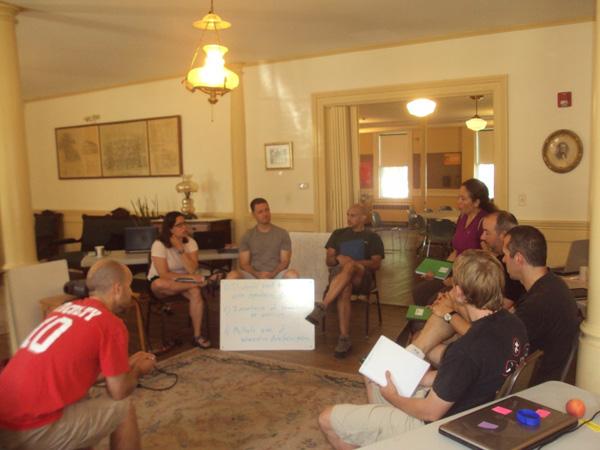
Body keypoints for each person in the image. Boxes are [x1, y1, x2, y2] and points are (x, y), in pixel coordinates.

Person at [318, 250, 528, 449]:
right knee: (375, 377)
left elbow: (430, 413)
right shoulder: (514, 324)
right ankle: (386, 437)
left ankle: (394, 434)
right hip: (475, 415)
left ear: (460, 293)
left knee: (327, 419)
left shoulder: (468, 348)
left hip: (441, 429)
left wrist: (394, 397)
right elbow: (470, 376)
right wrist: (421, 378)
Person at [0, 259, 156, 450]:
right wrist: (138, 370)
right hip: (27, 428)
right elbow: (119, 391)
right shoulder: (110, 324)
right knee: (122, 407)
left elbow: (76, 372)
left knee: (82, 397)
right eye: (129, 286)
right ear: (117, 289)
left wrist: (127, 365)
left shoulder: (62, 310)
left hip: (6, 415)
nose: (131, 293)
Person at [401, 210, 526, 355]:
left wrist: (449, 311)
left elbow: (484, 325)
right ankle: (413, 352)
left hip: (473, 340)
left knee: (422, 331)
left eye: (487, 232)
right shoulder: (497, 263)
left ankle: (412, 353)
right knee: (427, 319)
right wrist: (449, 308)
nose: (482, 237)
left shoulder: (509, 271)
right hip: (473, 327)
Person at [305, 204, 384, 358]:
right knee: (345, 288)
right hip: (339, 277)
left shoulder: (372, 237)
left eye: (353, 215)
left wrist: (353, 262)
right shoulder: (338, 234)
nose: (348, 218)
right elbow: (329, 261)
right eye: (348, 214)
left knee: (350, 265)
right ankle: (344, 338)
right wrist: (336, 258)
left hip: (361, 277)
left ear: (363, 218)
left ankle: (323, 306)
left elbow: (376, 264)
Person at [503, 225, 579, 384]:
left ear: (518, 258)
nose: (503, 260)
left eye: (505, 255)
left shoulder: (540, 301)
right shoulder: (551, 283)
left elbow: (498, 345)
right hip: (538, 373)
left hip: (533, 383)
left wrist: (452, 315)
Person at [412, 178, 497, 307]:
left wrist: (454, 281)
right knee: (419, 292)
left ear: (476, 202)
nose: (458, 203)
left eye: (463, 199)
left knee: (433, 301)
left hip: (470, 278)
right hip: (455, 272)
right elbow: (456, 251)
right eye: (458, 198)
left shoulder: (483, 221)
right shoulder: (462, 217)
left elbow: (486, 260)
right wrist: (439, 272)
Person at [147, 211, 212, 348]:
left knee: (195, 292)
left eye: (185, 224)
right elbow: (164, 274)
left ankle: (197, 336)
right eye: (179, 225)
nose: (184, 228)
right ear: (170, 229)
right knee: (159, 283)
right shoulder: (159, 244)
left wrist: (180, 249)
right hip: (162, 284)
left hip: (184, 282)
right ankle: (203, 281)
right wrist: (194, 280)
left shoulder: (191, 242)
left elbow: (192, 270)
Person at [227, 197, 299, 279]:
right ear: (254, 215)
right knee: (232, 276)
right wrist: (258, 274)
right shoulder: (247, 235)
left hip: (276, 274)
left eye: (267, 210)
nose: (265, 214)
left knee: (293, 275)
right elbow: (244, 264)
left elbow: (285, 261)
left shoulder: (282, 233)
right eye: (260, 212)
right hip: (253, 275)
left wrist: (271, 274)